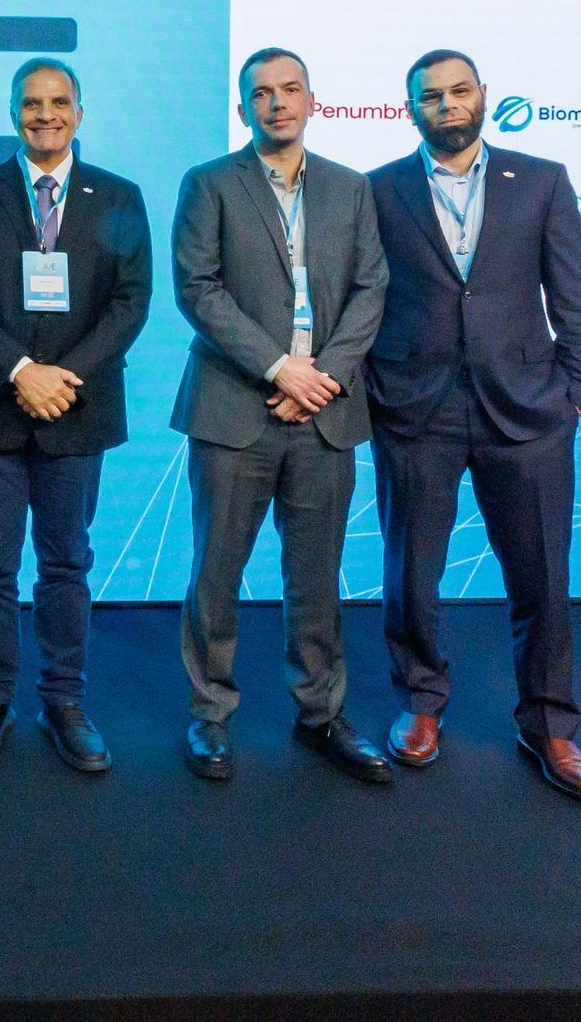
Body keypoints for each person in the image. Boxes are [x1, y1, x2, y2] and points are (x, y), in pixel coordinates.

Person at [367, 49, 581, 802]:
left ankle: (549, 723)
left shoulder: (541, 180)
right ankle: (421, 702)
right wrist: (375, 390)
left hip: (529, 410)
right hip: (417, 409)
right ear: (411, 108)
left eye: (459, 90)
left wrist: (578, 392)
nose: (447, 104)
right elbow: (359, 298)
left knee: (542, 577)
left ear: (483, 96)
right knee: (412, 573)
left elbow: (575, 293)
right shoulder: (378, 189)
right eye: (430, 95)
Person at [170, 46, 391, 784]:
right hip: (235, 408)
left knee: (316, 576)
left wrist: (320, 377)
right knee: (216, 573)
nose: (277, 102)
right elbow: (198, 289)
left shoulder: (350, 187)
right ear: (243, 108)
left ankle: (321, 713)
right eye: (262, 93)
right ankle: (210, 713)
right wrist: (278, 366)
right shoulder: (209, 183)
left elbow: (371, 288)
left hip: (324, 412)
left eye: (290, 88)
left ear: (312, 99)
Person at [0, 59, 152, 768]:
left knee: (66, 564)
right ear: (12, 114)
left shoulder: (117, 196)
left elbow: (130, 302)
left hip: (77, 410)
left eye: (59, 102)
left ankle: (64, 699)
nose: (46, 115)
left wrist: (63, 378)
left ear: (79, 113)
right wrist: (21, 371)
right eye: (31, 104)